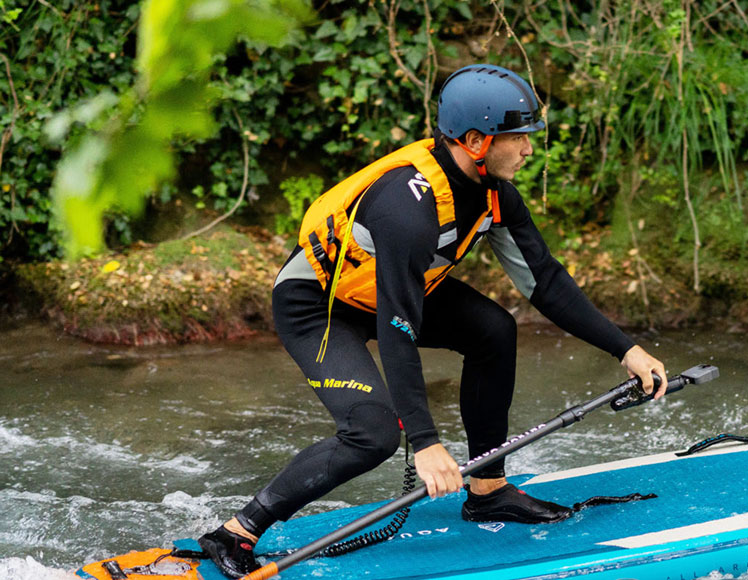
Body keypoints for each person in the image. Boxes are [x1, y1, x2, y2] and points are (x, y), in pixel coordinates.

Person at [197, 63, 667, 578]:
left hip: (389, 295)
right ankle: (236, 533)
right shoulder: (408, 207)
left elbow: (545, 282)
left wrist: (627, 350)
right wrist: (425, 442)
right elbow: (400, 330)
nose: (529, 149)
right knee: (373, 434)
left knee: (494, 330)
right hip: (319, 306)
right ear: (475, 140)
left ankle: (487, 491)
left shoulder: (494, 194)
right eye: (518, 138)